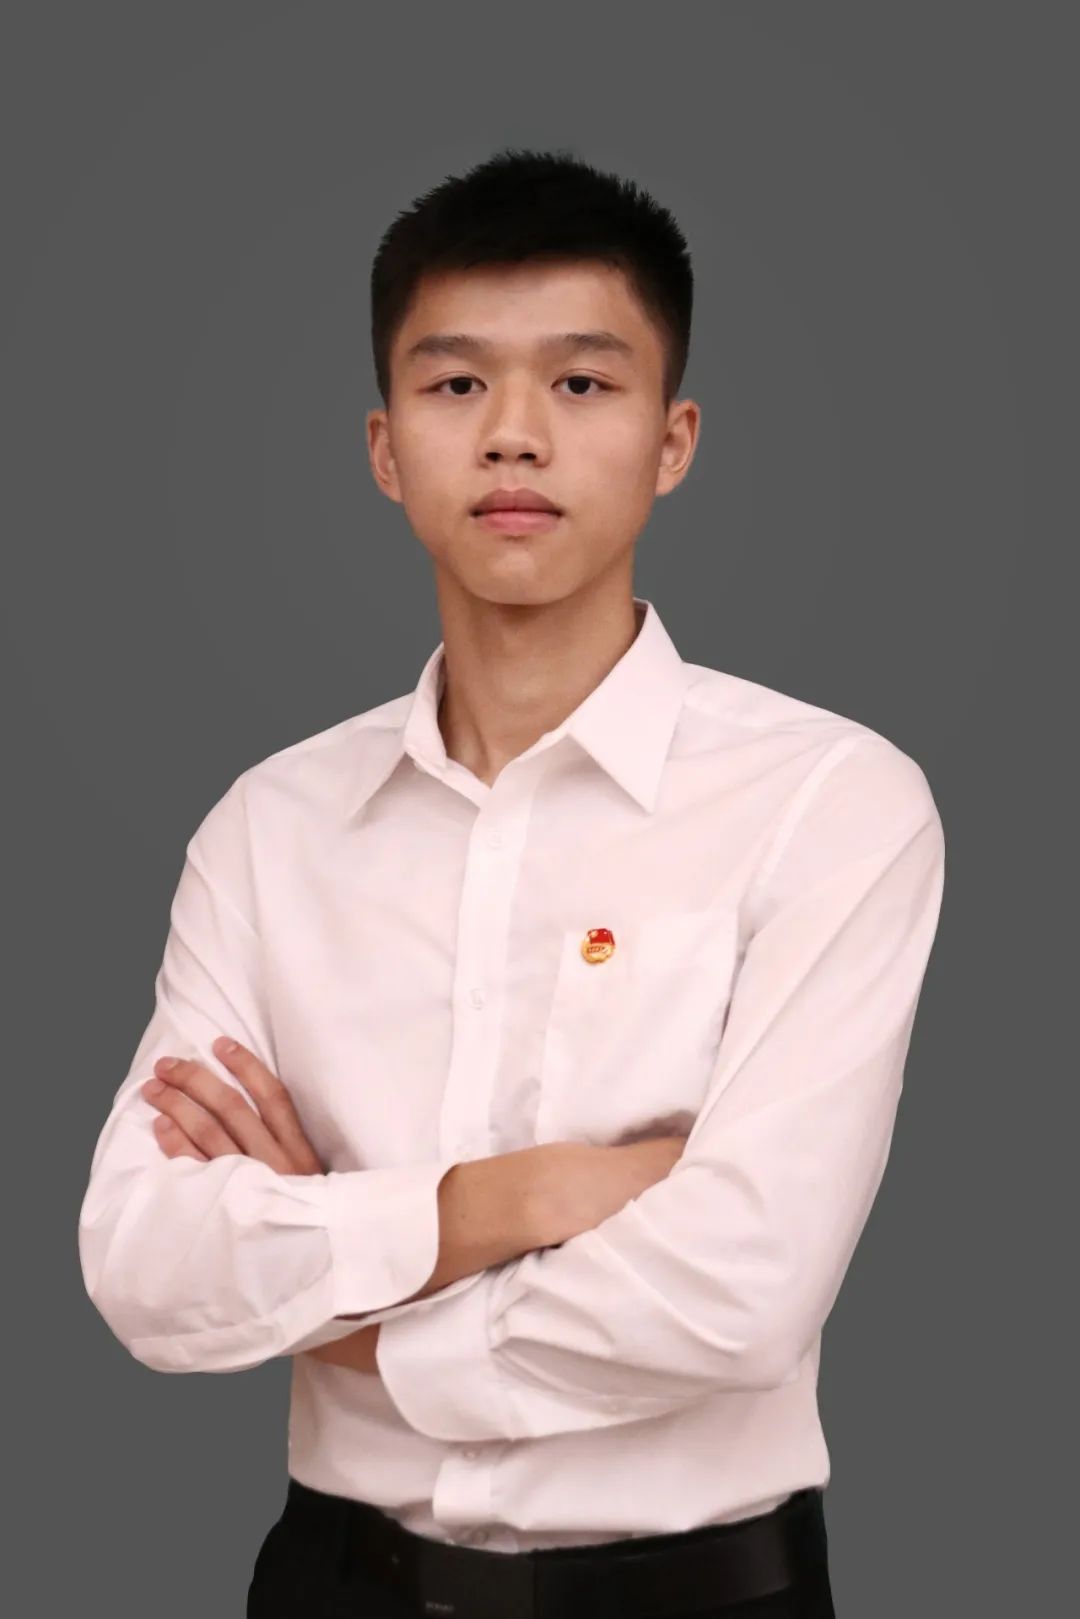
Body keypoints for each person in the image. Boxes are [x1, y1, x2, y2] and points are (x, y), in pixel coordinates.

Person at [77, 148, 946, 1619]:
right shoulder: (271, 829)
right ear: (384, 446)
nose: (515, 437)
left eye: (583, 383)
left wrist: (342, 1305)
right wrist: (518, 1198)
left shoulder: (828, 803)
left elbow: (738, 1290)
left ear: (673, 441)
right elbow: (147, 1264)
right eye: (458, 383)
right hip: (333, 1583)